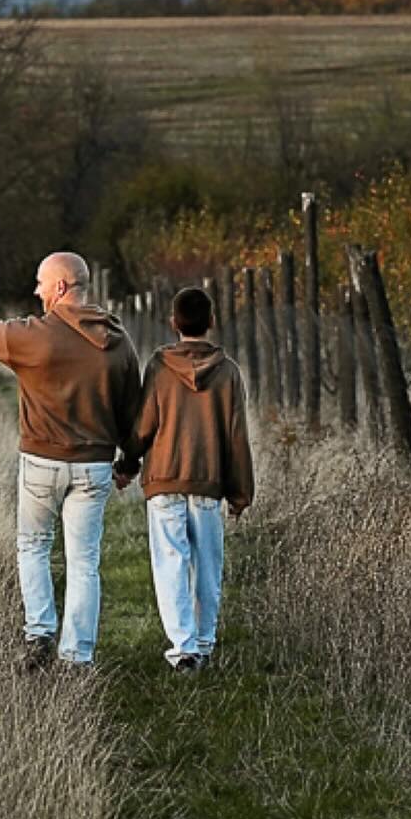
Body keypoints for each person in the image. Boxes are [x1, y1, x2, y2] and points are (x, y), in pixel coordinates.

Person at [0, 251, 141, 669]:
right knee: (84, 561)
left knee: (33, 546)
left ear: (60, 287)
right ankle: (77, 657)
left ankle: (39, 636)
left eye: (40, 283)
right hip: (94, 466)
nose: (35, 291)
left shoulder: (33, 335)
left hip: (41, 464)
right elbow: (131, 409)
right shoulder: (118, 339)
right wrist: (129, 462)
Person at [116, 285, 254, 673]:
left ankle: (183, 648)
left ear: (173, 322)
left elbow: (144, 425)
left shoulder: (159, 367)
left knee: (171, 563)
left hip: (164, 481)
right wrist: (240, 493)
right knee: (208, 565)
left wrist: (127, 464)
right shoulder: (227, 372)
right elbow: (236, 436)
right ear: (211, 321)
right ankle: (205, 643)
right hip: (208, 481)